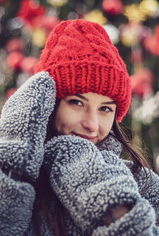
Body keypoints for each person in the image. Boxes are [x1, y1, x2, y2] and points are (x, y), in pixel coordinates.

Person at [0, 19, 159, 236]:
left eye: (105, 109)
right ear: (47, 102)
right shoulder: (14, 177)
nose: (92, 124)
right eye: (76, 102)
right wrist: (12, 163)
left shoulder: (141, 181)